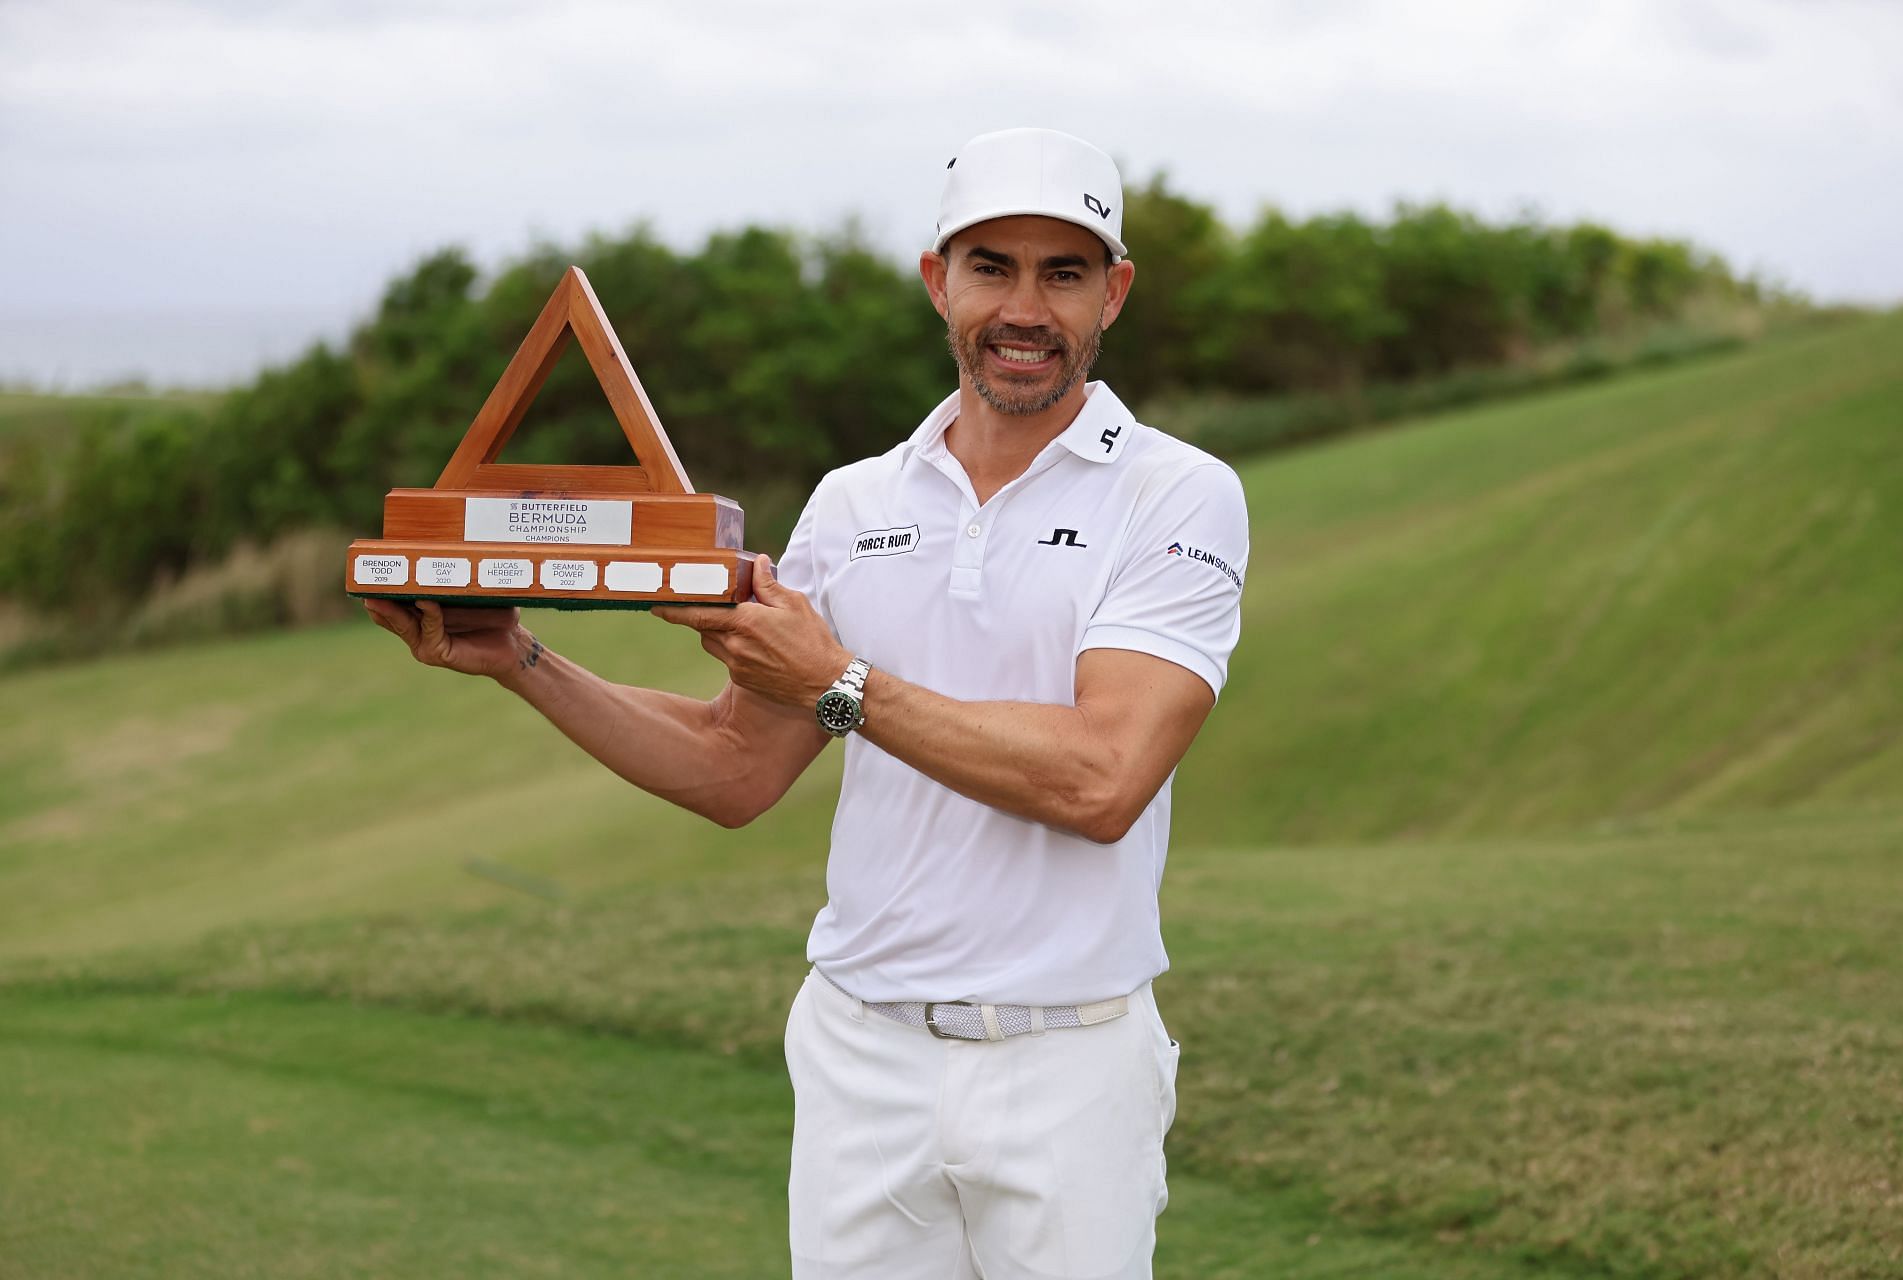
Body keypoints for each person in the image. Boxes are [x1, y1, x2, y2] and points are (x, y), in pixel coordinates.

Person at [364, 127, 1249, 1280]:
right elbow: (735, 765)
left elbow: (1101, 776)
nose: (1024, 307)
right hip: (860, 1054)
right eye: (992, 267)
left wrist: (836, 681)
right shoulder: (852, 499)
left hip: (1066, 1059)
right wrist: (525, 659)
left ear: (1113, 293)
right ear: (939, 280)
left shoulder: (1178, 492)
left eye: (1063, 272)